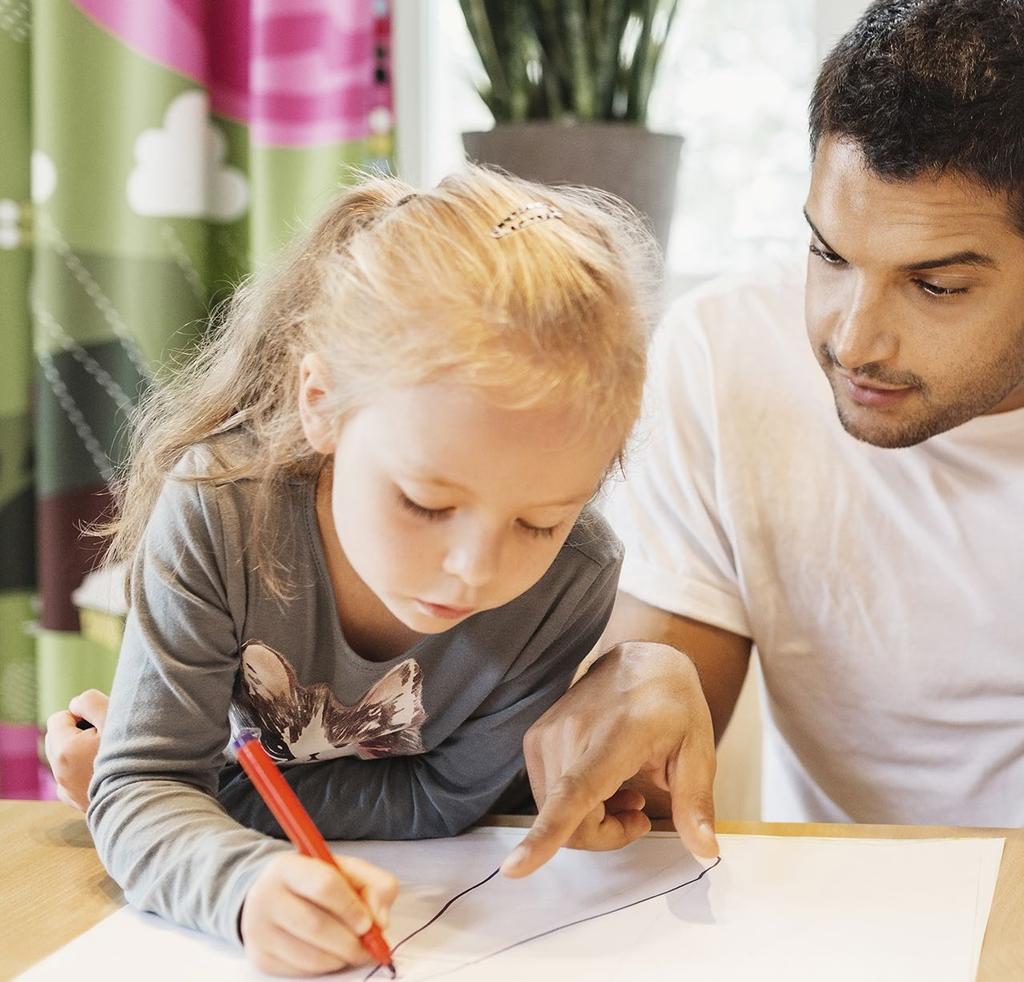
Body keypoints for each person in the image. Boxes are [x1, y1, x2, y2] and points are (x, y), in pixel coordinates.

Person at [43, 165, 691, 977]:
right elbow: (145, 786)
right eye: (424, 502)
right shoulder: (219, 512)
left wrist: (181, 795)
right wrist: (243, 885)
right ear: (322, 402)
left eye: (539, 521)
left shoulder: (574, 575)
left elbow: (446, 800)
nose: (472, 571)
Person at [514, 0, 1024, 852]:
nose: (853, 339)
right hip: (849, 923)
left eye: (935, 286)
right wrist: (637, 696)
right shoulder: (725, 355)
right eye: (829, 254)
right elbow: (664, 724)